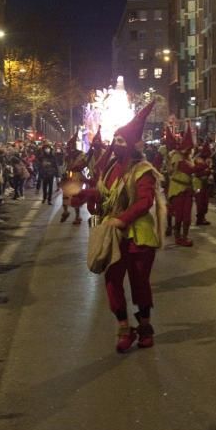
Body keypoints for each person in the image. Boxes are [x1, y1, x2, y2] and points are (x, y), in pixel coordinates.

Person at [72, 101, 164, 353]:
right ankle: (124, 326)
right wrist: (86, 196)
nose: (116, 144)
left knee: (139, 283)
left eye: (121, 140)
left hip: (138, 235)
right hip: (113, 234)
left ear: (133, 144)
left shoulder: (144, 170)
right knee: (112, 281)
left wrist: (123, 218)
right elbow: (104, 194)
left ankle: (144, 326)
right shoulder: (111, 167)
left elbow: (145, 201)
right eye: (115, 139)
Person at [167, 123, 198, 247]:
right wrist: (203, 166)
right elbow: (188, 169)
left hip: (188, 189)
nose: (191, 150)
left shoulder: (189, 157)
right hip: (177, 189)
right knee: (178, 214)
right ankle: (177, 236)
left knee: (187, 216)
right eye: (190, 147)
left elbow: (192, 171)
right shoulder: (176, 156)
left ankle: (184, 236)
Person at [193, 142, 214, 226]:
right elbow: (196, 172)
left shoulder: (208, 159)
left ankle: (203, 217)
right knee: (200, 201)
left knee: (205, 201)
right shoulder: (197, 159)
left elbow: (210, 169)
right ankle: (199, 218)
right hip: (198, 183)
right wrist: (207, 171)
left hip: (206, 183)